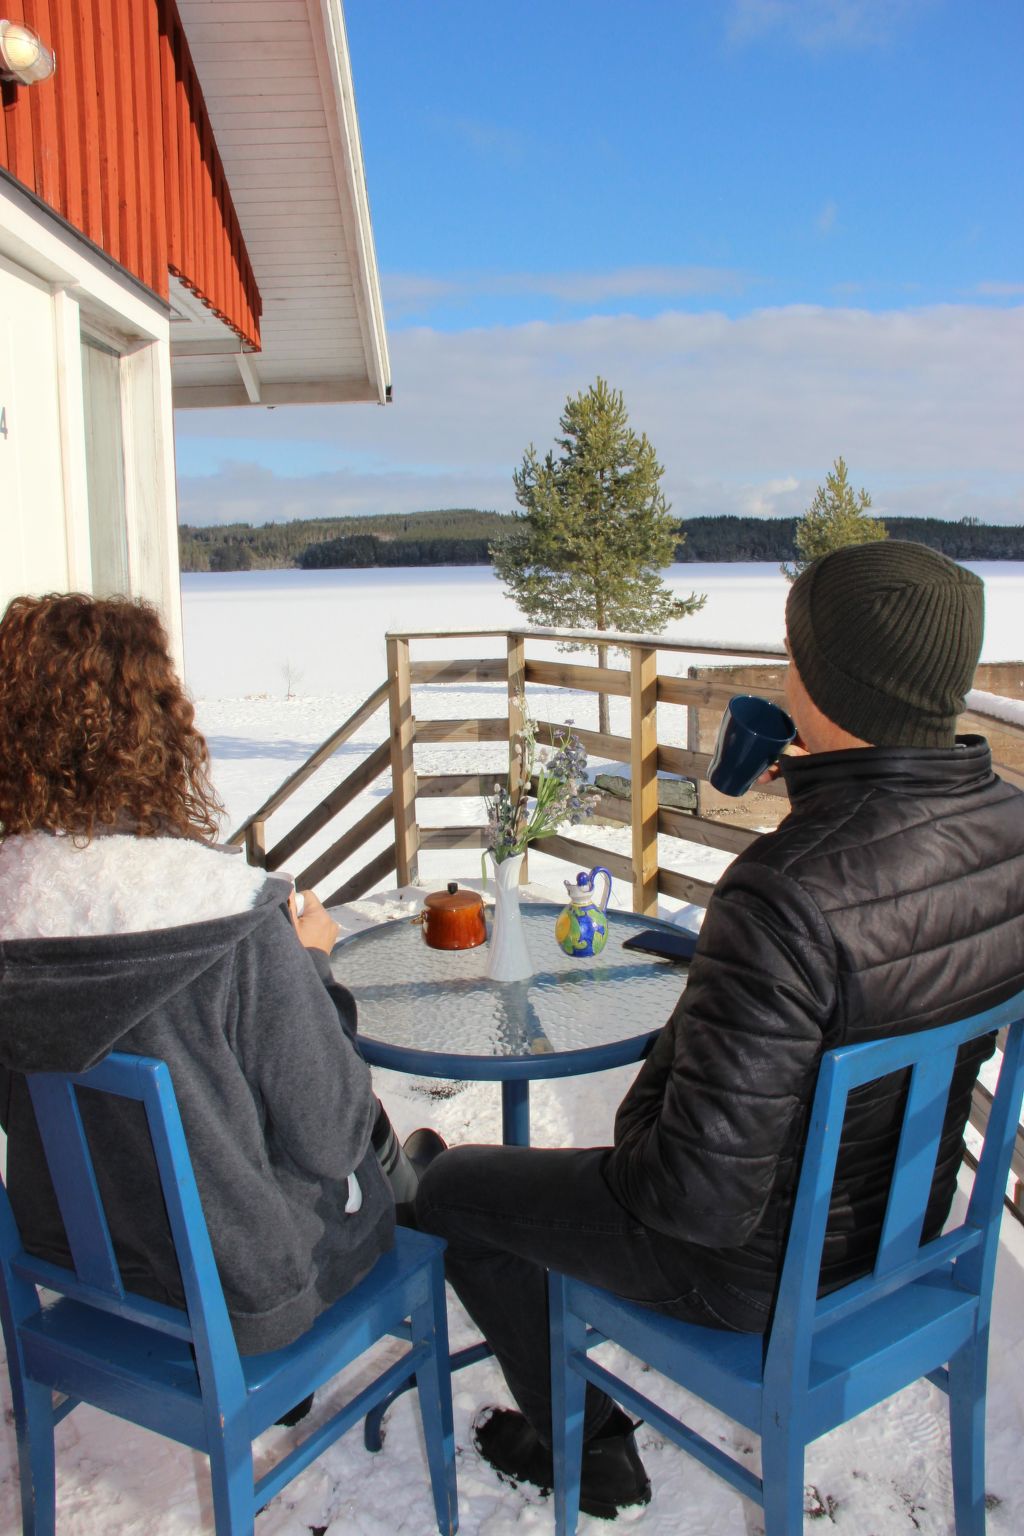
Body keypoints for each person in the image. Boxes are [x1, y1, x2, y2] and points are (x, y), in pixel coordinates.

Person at [414, 540, 1024, 1519]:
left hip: (753, 1274)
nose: (785, 674)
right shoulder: (1007, 827)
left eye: (795, 654)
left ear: (827, 681)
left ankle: (588, 1453)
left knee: (450, 1192)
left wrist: (662, 1075)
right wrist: (821, 805)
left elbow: (688, 1199)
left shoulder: (789, 889)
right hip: (905, 1235)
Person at [0, 592, 432, 1378]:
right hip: (250, 1292)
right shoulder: (224, 917)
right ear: (153, 729)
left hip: (74, 1259)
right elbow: (332, 1135)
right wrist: (311, 963)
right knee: (374, 1163)